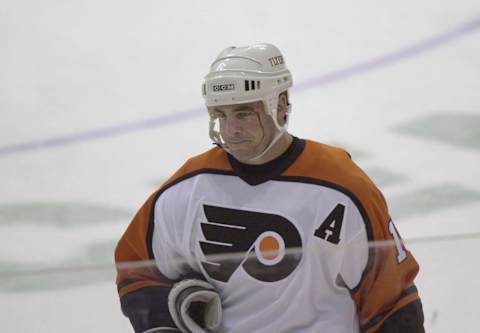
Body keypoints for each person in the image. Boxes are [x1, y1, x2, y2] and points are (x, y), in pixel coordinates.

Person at [115, 43, 424, 333]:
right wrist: (167, 312)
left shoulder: (341, 185)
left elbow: (392, 300)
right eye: (220, 115)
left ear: (280, 105)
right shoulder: (188, 187)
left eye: (244, 113)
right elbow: (136, 267)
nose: (231, 130)